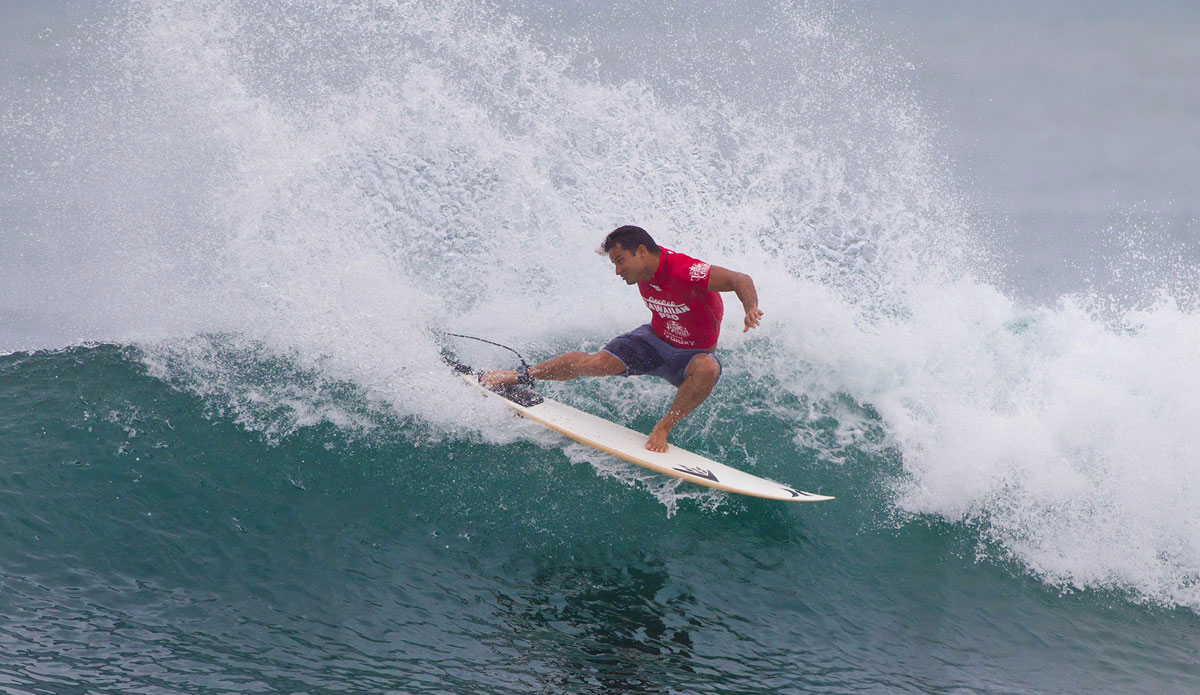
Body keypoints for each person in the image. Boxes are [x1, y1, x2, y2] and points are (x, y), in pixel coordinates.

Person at [481, 225, 763, 452]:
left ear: (641, 251)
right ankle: (517, 376)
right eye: (614, 263)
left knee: (709, 368)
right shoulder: (644, 271)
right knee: (593, 364)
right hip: (653, 340)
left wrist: (750, 308)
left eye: (620, 261)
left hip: (688, 358)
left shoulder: (685, 271)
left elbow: (740, 279)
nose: (617, 270)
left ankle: (664, 427)